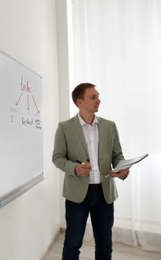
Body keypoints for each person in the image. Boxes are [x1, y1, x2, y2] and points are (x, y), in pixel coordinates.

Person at [52, 82, 130, 260]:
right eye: (93, 97)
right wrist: (75, 168)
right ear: (80, 102)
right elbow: (57, 157)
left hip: (104, 194)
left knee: (105, 243)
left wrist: (122, 169)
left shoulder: (110, 126)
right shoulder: (65, 127)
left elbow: (118, 155)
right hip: (77, 195)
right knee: (72, 243)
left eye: (98, 96)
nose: (98, 100)